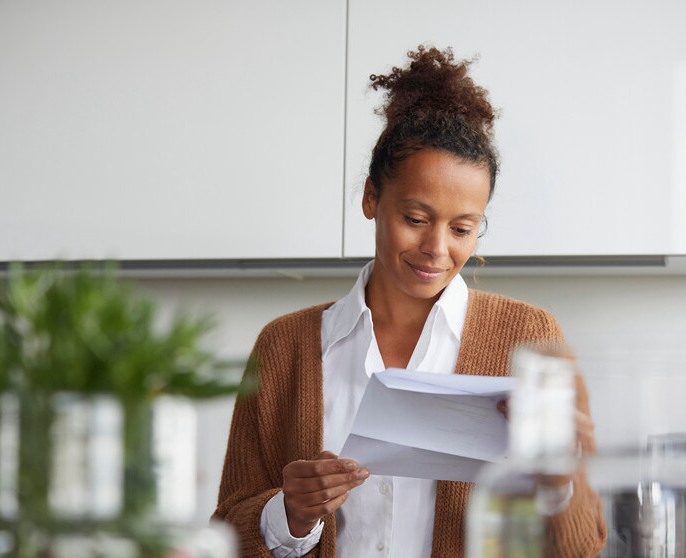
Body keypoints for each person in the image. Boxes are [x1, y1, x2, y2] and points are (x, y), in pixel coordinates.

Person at [213, 46, 607, 558]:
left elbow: (584, 546)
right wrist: (286, 514)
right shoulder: (284, 346)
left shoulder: (530, 337)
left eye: (463, 228)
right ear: (371, 197)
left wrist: (558, 480)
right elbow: (224, 532)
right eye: (416, 219)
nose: (437, 249)